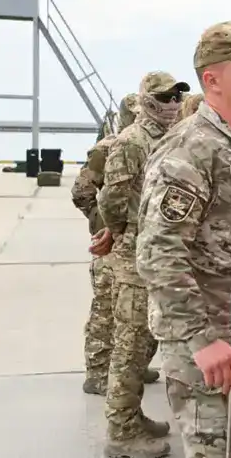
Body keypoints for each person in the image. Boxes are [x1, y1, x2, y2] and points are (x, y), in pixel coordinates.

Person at [136, 20, 231, 457]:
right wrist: (201, 339)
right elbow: (158, 252)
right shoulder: (192, 149)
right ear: (213, 80)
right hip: (212, 343)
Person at [99, 72, 189, 457]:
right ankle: (120, 433)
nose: (171, 102)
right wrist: (120, 231)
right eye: (164, 96)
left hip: (155, 255)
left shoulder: (170, 136)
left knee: (146, 344)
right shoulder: (132, 141)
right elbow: (112, 198)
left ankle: (132, 416)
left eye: (175, 96)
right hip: (134, 259)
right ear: (146, 100)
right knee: (130, 347)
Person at [71, 94, 160, 396]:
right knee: (105, 313)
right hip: (111, 246)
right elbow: (81, 191)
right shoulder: (109, 147)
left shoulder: (150, 143)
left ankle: (135, 366)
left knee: (131, 317)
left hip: (132, 243)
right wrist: (105, 225)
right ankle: (96, 373)